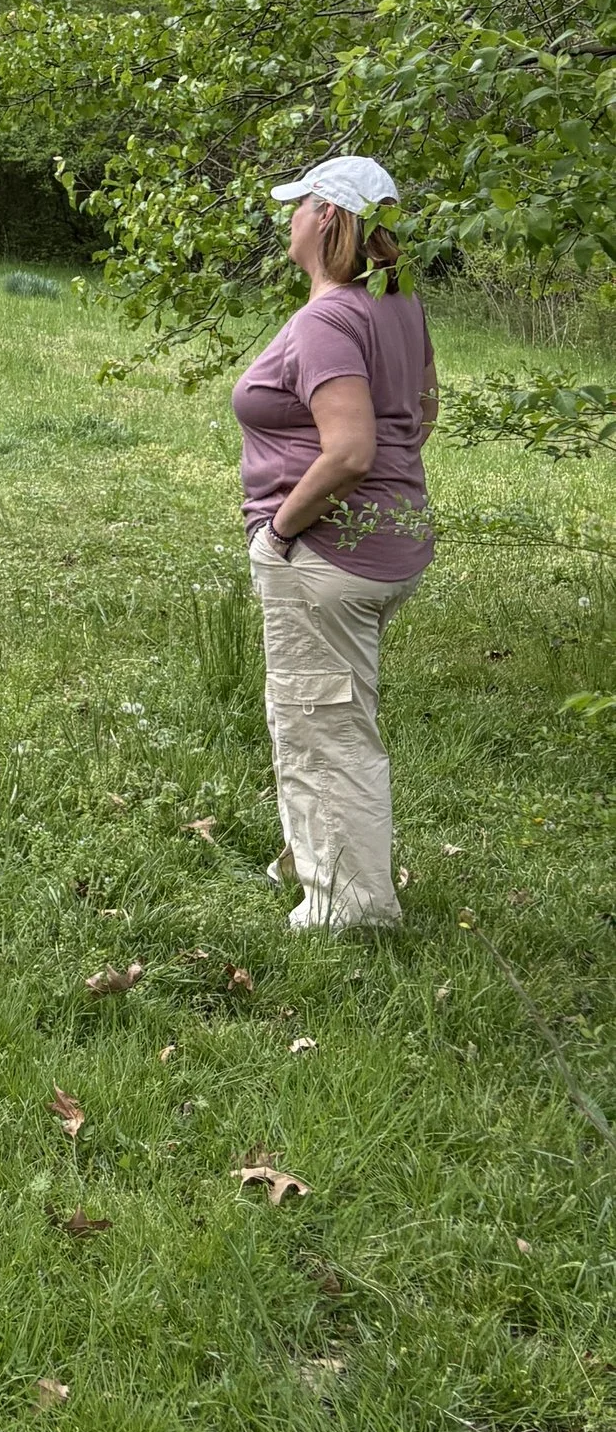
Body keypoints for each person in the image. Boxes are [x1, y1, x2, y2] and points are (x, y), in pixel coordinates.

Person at [234, 155, 435, 935]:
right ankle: (314, 855)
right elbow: (424, 409)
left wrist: (282, 530)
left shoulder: (328, 320)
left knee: (324, 729)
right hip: (387, 545)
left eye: (298, 205)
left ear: (326, 217)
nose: (286, 218)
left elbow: (349, 450)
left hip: (326, 555)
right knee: (326, 711)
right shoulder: (397, 303)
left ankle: (348, 906)